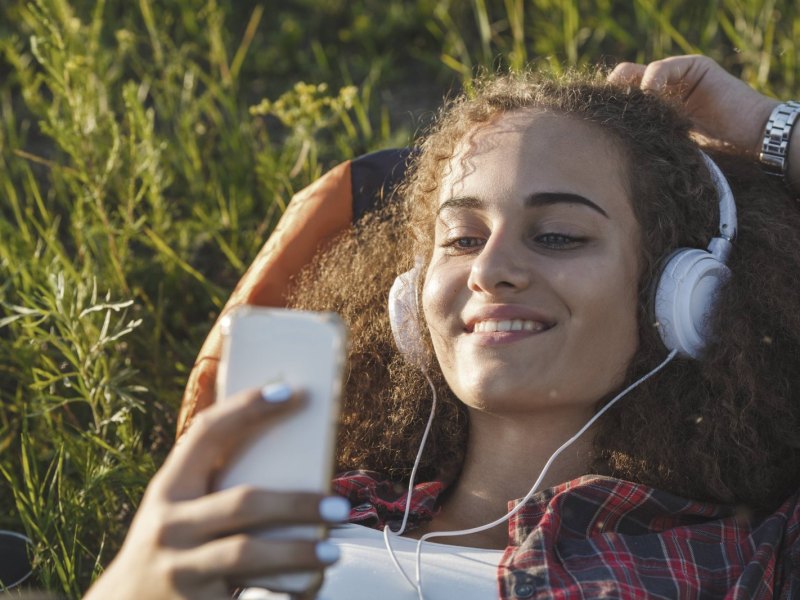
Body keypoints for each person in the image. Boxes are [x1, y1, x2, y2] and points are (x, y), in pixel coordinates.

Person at [83, 55, 800, 599]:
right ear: (410, 299)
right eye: (460, 239)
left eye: (557, 236)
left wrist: (769, 128)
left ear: (681, 295)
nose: (492, 271)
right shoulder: (298, 514)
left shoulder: (743, 562)